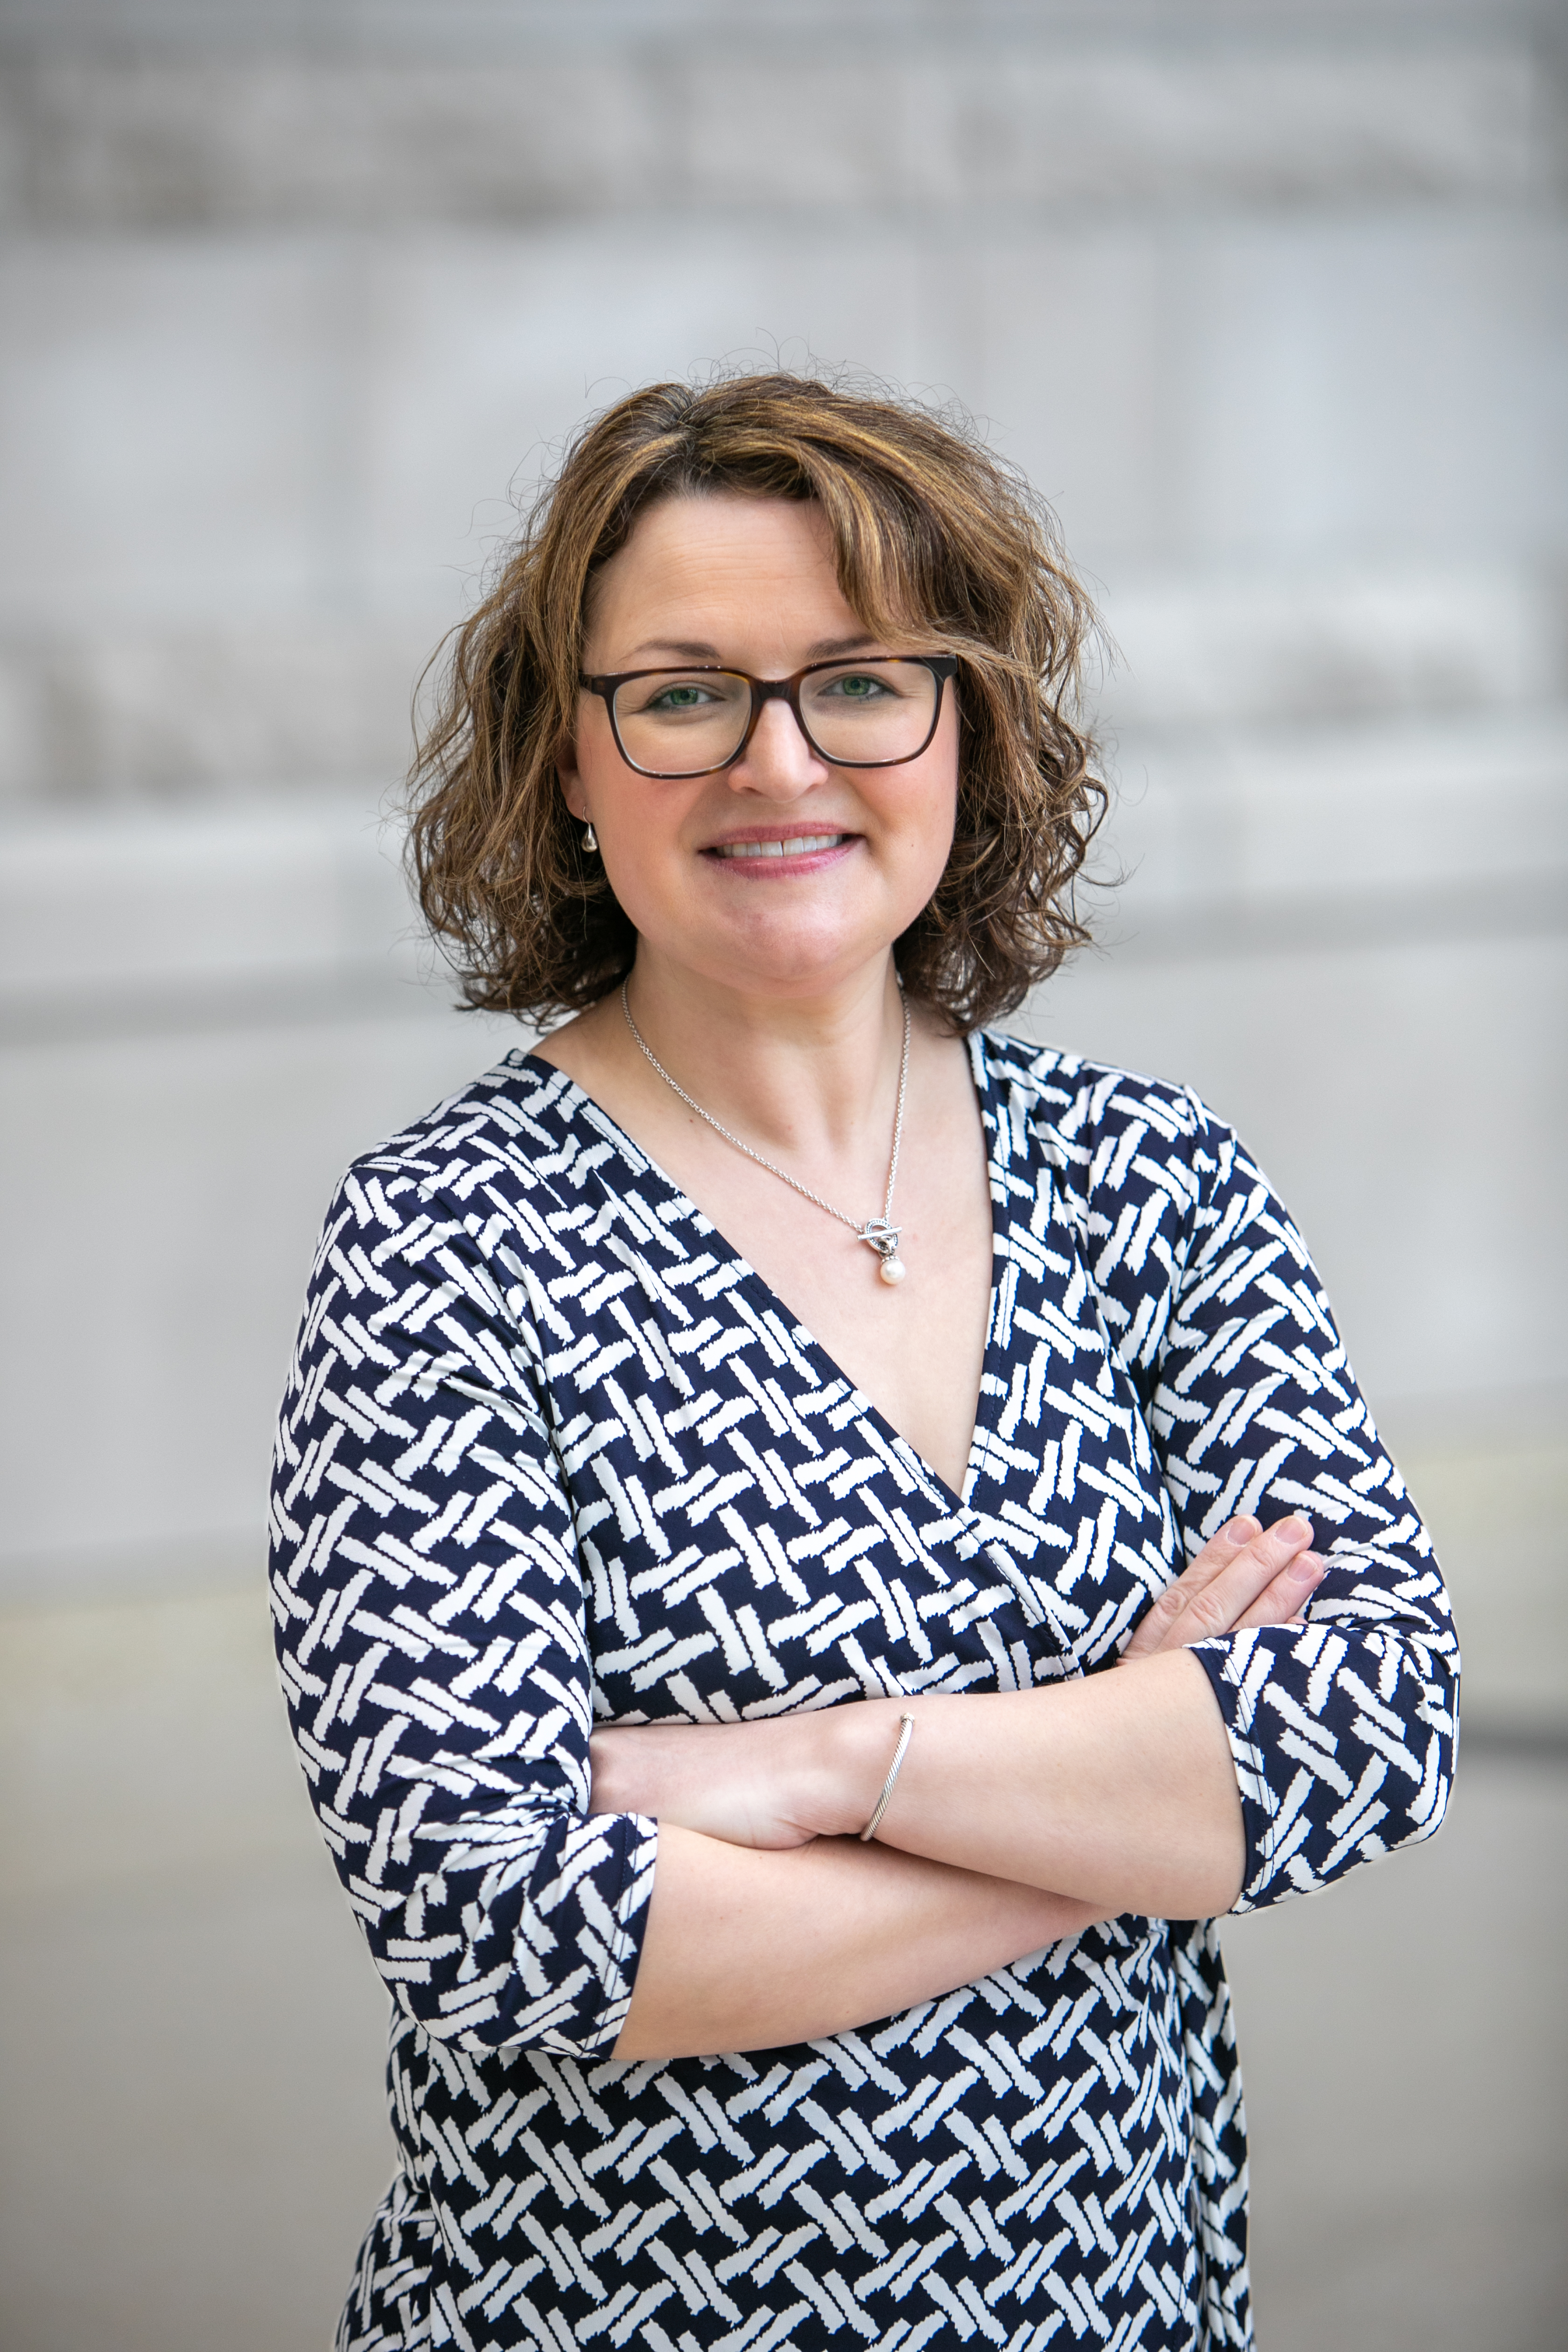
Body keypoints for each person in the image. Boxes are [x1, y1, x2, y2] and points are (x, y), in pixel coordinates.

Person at [270, 373, 1457, 2352]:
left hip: (1124, 2302)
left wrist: (831, 1764)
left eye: (860, 681)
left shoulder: (1147, 1178)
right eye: (681, 690)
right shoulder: (445, 1246)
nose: (777, 762)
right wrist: (1128, 1792)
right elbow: (503, 1928)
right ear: (567, 757)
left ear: (965, 729)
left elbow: (1372, 1725)